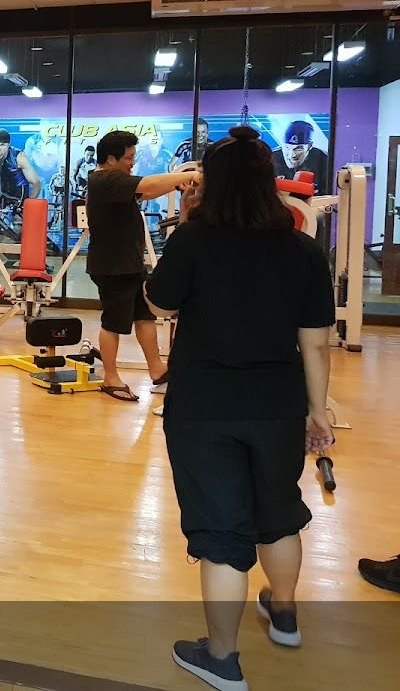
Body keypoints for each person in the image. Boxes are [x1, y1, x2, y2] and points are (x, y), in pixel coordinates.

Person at [144, 125, 336, 691]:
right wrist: (318, 410)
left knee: (223, 529)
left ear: (213, 182)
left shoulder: (193, 239)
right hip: (277, 403)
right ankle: (284, 615)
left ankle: (222, 659)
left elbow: (158, 303)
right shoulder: (303, 250)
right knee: (278, 510)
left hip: (204, 405)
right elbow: (316, 342)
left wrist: (186, 228)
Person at [86, 130, 198, 401]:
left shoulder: (116, 182)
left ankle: (157, 369)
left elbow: (149, 191)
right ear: (111, 159)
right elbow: (148, 185)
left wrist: (179, 185)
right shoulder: (104, 179)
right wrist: (189, 175)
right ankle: (110, 377)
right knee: (113, 321)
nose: (132, 162)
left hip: (129, 262)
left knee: (144, 316)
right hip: (112, 266)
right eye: (128, 158)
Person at [0, 129, 41, 202]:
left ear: (8, 145)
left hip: (19, 194)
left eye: (2, 145)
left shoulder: (20, 158)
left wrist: (29, 203)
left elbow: (36, 183)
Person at [271, 120, 329, 192]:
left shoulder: (324, 161)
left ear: (309, 146)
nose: (292, 155)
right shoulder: (270, 159)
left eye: (298, 149)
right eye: (287, 148)